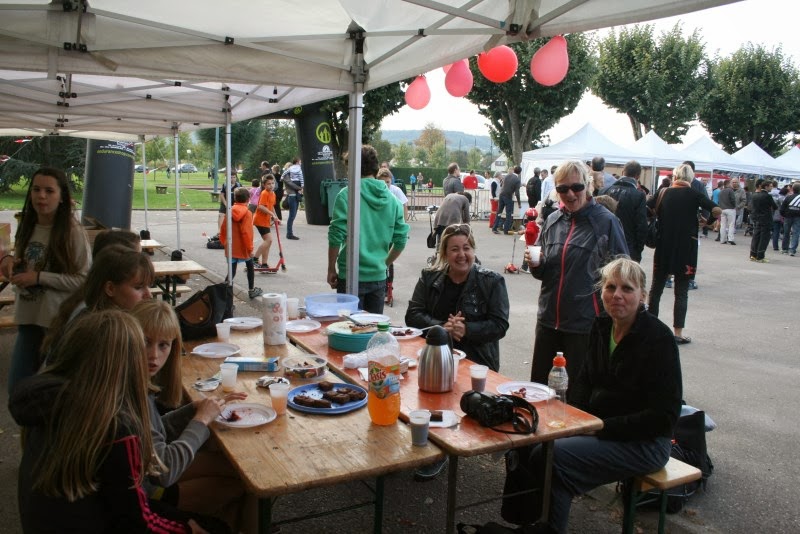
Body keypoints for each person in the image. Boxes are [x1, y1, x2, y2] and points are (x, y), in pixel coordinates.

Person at [501, 258, 682, 534]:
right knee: (527, 440)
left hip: (645, 443)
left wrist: (599, 427)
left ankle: (542, 526)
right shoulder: (601, 326)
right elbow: (584, 381)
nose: (617, 295)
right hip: (599, 429)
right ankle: (533, 524)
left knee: (553, 457)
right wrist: (573, 420)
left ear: (643, 296)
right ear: (601, 292)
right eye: (610, 287)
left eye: (627, 288)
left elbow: (664, 417)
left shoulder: (658, 339)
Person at [10, 310, 213, 533]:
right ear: (122, 361)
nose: (151, 356)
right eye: (141, 347)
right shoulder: (116, 426)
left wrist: (190, 414)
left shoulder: (59, 401)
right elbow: (137, 519)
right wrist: (187, 530)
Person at [131, 300, 249, 530]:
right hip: (149, 492)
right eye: (145, 342)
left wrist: (193, 410)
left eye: (163, 345)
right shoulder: (134, 392)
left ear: (174, 346)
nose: (153, 355)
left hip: (149, 474)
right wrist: (200, 421)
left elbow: (154, 432)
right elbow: (163, 471)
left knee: (237, 470)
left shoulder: (138, 381)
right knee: (240, 486)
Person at [525, 160, 629, 388]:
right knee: (539, 390)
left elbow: (623, 274)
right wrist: (536, 265)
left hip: (584, 325)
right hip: (548, 321)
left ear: (587, 185)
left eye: (576, 187)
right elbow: (544, 274)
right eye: (562, 189)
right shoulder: (552, 221)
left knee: (576, 395)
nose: (570, 194)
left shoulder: (606, 222)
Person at [0, 167, 91, 392]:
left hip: (59, 324)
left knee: (55, 393)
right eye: (36, 189)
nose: (41, 196)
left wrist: (39, 277)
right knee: (17, 390)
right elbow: (27, 262)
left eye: (49, 191)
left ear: (62, 197)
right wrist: (11, 263)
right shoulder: (28, 225)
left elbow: (83, 280)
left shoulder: (72, 232)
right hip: (29, 317)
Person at [327, 145, 409, 313]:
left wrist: (331, 268)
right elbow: (401, 241)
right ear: (375, 168)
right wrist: (384, 264)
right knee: (373, 327)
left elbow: (335, 236)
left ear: (351, 168)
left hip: (350, 275)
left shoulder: (346, 195)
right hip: (378, 277)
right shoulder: (393, 201)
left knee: (348, 326)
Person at [647, 164, 720, 344]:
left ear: (675, 176)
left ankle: (651, 331)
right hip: (686, 248)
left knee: (656, 289)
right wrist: (708, 222)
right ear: (691, 178)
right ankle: (678, 333)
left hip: (664, 245)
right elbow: (716, 210)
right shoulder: (695, 194)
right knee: (681, 292)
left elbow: (647, 208)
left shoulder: (663, 192)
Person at [599, 160, 648, 262]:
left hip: (604, 246)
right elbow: (641, 226)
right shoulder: (639, 195)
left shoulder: (604, 190)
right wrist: (638, 251)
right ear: (638, 176)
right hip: (627, 248)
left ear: (622, 172)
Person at [220, 187, 263, 299]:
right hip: (243, 246)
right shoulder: (247, 213)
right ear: (248, 199)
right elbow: (246, 233)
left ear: (235, 198)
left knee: (232, 271)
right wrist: (250, 249)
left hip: (231, 246)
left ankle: (223, 292)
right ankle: (251, 290)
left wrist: (224, 242)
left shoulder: (230, 211)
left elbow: (223, 228)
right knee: (250, 266)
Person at [252, 174, 278, 269]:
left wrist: (275, 216)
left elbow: (272, 206)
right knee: (269, 240)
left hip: (266, 221)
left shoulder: (273, 194)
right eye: (268, 184)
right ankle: (255, 258)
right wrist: (272, 214)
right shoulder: (264, 193)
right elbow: (260, 206)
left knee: (267, 242)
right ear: (264, 185)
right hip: (260, 220)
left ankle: (264, 263)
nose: (271, 185)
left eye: (272, 183)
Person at [748, 178, 776, 263]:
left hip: (757, 218)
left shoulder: (755, 195)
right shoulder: (768, 196)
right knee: (764, 238)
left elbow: (751, 207)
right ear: (766, 187)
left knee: (756, 237)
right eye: (770, 186)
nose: (771, 188)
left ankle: (753, 254)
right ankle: (760, 256)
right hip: (766, 219)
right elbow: (775, 206)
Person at [492, 165, 522, 235]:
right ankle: (506, 230)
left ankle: (495, 227)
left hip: (502, 195)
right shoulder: (517, 180)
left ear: (514, 170)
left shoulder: (507, 176)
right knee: (508, 214)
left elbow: (502, 185)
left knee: (499, 212)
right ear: (520, 172)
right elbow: (517, 193)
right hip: (508, 196)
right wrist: (519, 203)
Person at [281, 158, 303, 240]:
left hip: (295, 196)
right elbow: (290, 184)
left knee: (293, 215)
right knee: (291, 216)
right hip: (292, 196)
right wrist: (300, 188)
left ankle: (289, 233)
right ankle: (289, 234)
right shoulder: (286, 175)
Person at [780, 182, 800, 256]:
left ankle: (785, 249)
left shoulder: (788, 197)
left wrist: (784, 215)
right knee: (796, 233)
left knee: (786, 232)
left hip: (788, 217)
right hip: (798, 217)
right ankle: (792, 250)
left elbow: (782, 208)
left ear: (792, 189)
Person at [518, 208, 540, 274]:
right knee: (533, 255)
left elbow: (531, 231)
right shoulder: (534, 223)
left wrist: (524, 231)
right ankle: (533, 268)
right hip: (533, 241)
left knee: (528, 254)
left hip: (530, 242)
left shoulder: (530, 224)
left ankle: (524, 267)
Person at [718, 179, 738, 245]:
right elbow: (733, 199)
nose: (732, 185)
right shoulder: (730, 190)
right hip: (730, 209)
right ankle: (730, 239)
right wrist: (734, 206)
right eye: (731, 183)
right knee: (731, 224)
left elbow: (719, 201)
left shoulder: (721, 191)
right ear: (728, 184)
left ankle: (722, 239)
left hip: (722, 209)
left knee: (723, 225)